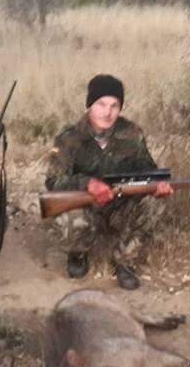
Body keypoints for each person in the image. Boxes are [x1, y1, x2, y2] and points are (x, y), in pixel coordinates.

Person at [45, 74, 172, 290]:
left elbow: (147, 171)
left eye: (115, 105)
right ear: (89, 106)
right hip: (86, 206)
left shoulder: (132, 133)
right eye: (101, 104)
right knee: (72, 216)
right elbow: (53, 181)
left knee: (154, 204)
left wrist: (158, 186)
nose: (108, 112)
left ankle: (124, 261)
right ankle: (78, 254)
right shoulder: (69, 137)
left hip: (120, 205)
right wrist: (88, 184)